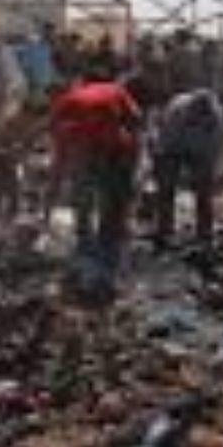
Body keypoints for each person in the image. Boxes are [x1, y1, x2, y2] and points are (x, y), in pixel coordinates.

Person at [49, 70, 142, 293]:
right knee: (112, 203)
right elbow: (136, 119)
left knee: (85, 197)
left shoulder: (66, 103)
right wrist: (135, 156)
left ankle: (88, 246)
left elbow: (59, 158)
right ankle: (106, 253)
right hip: (115, 149)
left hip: (97, 149)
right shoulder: (115, 90)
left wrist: (51, 194)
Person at [153, 86, 223, 251]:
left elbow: (215, 147)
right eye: (197, 115)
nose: (200, 117)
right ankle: (165, 230)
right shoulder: (177, 110)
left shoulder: (217, 117)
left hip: (201, 150)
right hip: (173, 147)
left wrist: (210, 171)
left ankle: (205, 233)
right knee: (166, 188)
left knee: (204, 191)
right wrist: (166, 165)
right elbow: (166, 141)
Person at [0, 97, 48, 221]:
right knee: (0, 187)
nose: (39, 122)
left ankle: (10, 214)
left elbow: (30, 142)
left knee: (15, 185)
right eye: (35, 118)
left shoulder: (34, 125)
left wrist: (25, 150)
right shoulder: (7, 121)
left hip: (10, 158)